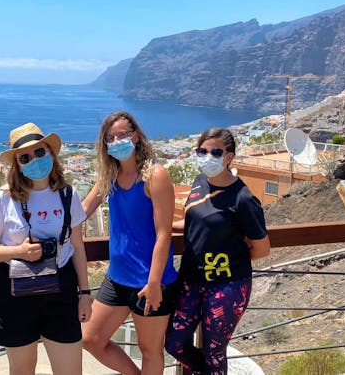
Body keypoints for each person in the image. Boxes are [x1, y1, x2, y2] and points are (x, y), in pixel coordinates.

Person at [0, 123, 92, 375]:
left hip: (61, 288)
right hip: (15, 289)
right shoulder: (4, 197)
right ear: (17, 164)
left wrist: (84, 293)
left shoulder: (67, 194)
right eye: (25, 157)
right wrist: (18, 252)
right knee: (21, 370)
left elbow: (78, 246)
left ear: (51, 153)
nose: (34, 160)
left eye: (39, 152)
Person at [165, 127, 271, 375]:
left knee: (215, 353)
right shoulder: (199, 183)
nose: (207, 156)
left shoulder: (242, 198)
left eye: (215, 152)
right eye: (202, 151)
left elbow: (262, 248)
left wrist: (230, 263)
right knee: (174, 342)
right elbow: (195, 221)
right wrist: (164, 226)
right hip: (191, 280)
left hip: (228, 286)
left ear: (229, 157)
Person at [81, 111, 178, 375]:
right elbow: (81, 211)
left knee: (150, 350)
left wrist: (155, 282)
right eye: (110, 138)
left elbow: (163, 234)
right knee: (91, 338)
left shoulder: (154, 175)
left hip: (149, 281)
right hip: (117, 278)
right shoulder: (110, 176)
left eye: (122, 135)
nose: (117, 141)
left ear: (135, 136)